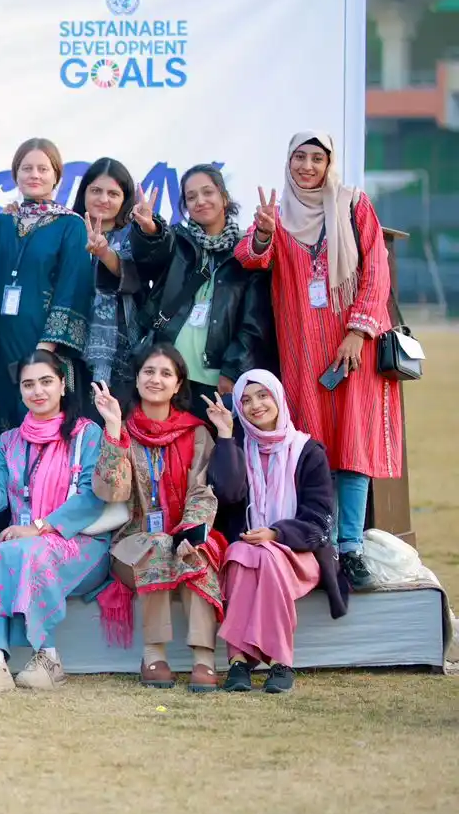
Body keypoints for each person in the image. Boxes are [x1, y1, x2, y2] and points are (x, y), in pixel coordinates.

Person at [236, 132, 401, 590]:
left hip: (354, 348)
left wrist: (358, 331)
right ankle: (320, 541)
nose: (307, 166)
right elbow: (249, 258)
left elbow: (376, 270)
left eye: (316, 158)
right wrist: (264, 232)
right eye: (299, 157)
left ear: (329, 163)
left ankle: (351, 547)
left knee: (352, 446)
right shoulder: (277, 213)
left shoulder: (353, 204)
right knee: (315, 445)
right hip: (303, 348)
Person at [0, 350, 113, 695]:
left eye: (46, 382)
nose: (37, 391)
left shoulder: (86, 435)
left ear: (62, 385)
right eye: (28, 384)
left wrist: (40, 527)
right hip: (24, 544)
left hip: (82, 544)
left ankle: (48, 658)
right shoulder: (8, 442)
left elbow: (92, 497)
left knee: (32, 552)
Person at [91, 345, 225, 692]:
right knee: (157, 546)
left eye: (166, 374)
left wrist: (189, 534)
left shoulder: (196, 433)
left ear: (178, 385)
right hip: (131, 544)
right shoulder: (122, 429)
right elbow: (111, 492)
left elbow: (202, 492)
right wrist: (114, 429)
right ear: (136, 379)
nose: (156, 379)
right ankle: (154, 654)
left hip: (182, 535)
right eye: (149, 371)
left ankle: (204, 659)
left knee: (198, 554)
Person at [206, 370, 347, 694]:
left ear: (278, 398)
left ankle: (278, 661)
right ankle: (239, 662)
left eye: (262, 395)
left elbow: (320, 523)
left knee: (265, 556)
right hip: (249, 551)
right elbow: (227, 494)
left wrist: (275, 534)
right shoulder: (237, 447)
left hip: (301, 555)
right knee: (239, 554)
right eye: (245, 400)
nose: (255, 405)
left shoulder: (308, 452)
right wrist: (225, 434)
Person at [0, 124, 92, 431]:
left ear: (57, 176)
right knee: (0, 424)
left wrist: (45, 349)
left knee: (42, 423)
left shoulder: (71, 225)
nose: (34, 175)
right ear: (15, 174)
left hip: (40, 341)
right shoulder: (4, 222)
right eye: (26, 168)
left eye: (43, 168)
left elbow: (74, 287)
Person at [134, 164, 274, 415]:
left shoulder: (246, 251)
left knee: (212, 439)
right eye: (191, 197)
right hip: (169, 375)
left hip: (217, 379)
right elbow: (152, 251)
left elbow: (254, 321)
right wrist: (148, 230)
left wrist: (232, 370)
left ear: (224, 197)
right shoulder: (178, 241)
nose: (200, 201)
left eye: (208, 192)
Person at [73, 158, 148, 400]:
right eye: (96, 190)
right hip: (67, 343)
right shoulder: (67, 230)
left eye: (113, 194)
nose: (103, 199)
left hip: (118, 351)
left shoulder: (135, 234)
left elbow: (133, 276)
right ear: (84, 192)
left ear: (125, 199)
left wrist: (104, 252)